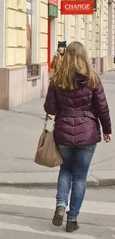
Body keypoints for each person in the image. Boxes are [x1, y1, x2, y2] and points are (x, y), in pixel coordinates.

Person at [44, 41, 111, 232]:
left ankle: (60, 204)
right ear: (84, 56)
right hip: (87, 133)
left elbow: (50, 108)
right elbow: (103, 108)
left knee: (65, 170)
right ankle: (72, 219)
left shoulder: (58, 78)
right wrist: (107, 130)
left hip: (63, 132)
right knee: (80, 177)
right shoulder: (92, 79)